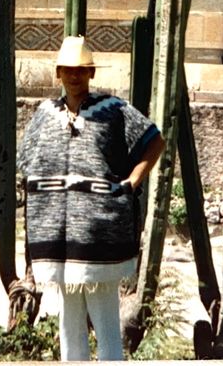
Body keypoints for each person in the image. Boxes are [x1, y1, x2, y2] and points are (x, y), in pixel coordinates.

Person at [19, 35, 165, 361]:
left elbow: (154, 140)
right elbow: (27, 162)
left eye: (81, 70)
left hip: (100, 235)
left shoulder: (114, 111)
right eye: (68, 70)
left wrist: (131, 183)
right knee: (69, 319)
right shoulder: (45, 114)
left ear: (91, 74)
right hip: (60, 239)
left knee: (105, 319)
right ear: (58, 73)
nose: (74, 76)